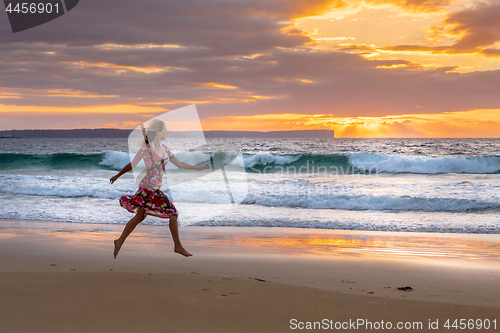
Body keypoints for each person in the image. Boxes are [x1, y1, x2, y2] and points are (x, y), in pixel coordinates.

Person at [110, 119, 209, 258]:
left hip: (152, 189)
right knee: (173, 213)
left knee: (139, 217)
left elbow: (179, 163)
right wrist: (117, 175)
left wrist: (198, 168)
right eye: (165, 130)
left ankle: (119, 241)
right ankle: (178, 246)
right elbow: (132, 164)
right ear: (158, 132)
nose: (167, 132)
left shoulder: (166, 149)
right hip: (148, 189)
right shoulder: (146, 149)